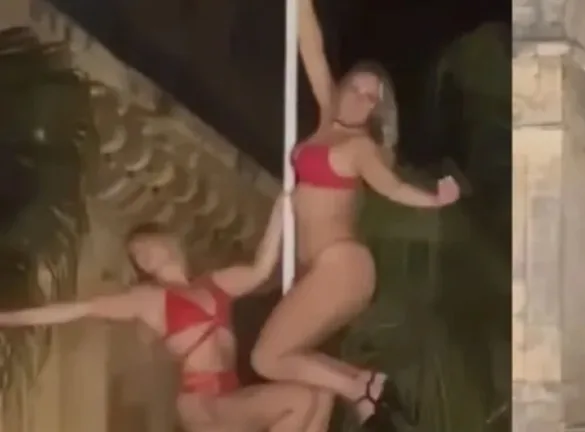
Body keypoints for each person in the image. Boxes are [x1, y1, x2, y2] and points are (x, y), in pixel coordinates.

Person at [248, 0, 460, 431]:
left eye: (370, 98)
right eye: (356, 89)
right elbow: (311, 47)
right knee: (296, 365)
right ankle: (359, 388)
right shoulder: (328, 116)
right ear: (342, 88)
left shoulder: (361, 147)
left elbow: (392, 187)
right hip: (321, 268)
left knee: (266, 358)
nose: (360, 99)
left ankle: (360, 387)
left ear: (376, 110)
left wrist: (435, 200)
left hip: (341, 266)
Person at [0, 195, 321, 432]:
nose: (143, 256)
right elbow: (80, 310)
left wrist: (282, 208)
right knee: (301, 399)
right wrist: (9, 318)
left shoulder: (215, 284)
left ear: (165, 239)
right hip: (203, 404)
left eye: (144, 246)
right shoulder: (150, 299)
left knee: (320, 399)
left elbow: (260, 269)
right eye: (137, 257)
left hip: (230, 393)